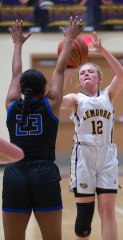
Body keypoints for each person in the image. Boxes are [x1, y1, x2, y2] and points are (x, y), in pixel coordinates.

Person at [3, 17, 83, 240]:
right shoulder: (52, 104)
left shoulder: (11, 104)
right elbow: (59, 70)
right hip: (44, 175)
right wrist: (69, 40)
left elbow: (15, 73)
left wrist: (17, 45)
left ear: (21, 89)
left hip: (14, 175)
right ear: (44, 88)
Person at [61, 32, 123, 240]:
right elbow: (55, 102)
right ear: (79, 82)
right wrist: (65, 69)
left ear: (99, 78)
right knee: (84, 220)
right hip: (84, 157)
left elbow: (122, 75)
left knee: (108, 211)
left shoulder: (108, 95)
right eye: (82, 73)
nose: (86, 74)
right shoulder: (75, 99)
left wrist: (103, 51)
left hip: (107, 155)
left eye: (90, 71)